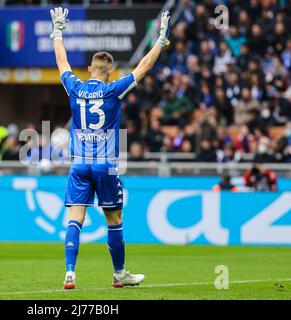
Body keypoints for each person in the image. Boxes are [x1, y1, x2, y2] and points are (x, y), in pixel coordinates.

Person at [50, 7, 170, 289]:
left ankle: (70, 272)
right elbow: (144, 67)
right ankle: (119, 274)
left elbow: (61, 61)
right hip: (105, 164)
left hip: (79, 163)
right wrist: (161, 39)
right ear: (110, 72)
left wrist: (57, 31)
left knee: (74, 218)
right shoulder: (114, 89)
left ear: (90, 69)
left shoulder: (75, 87)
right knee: (114, 219)